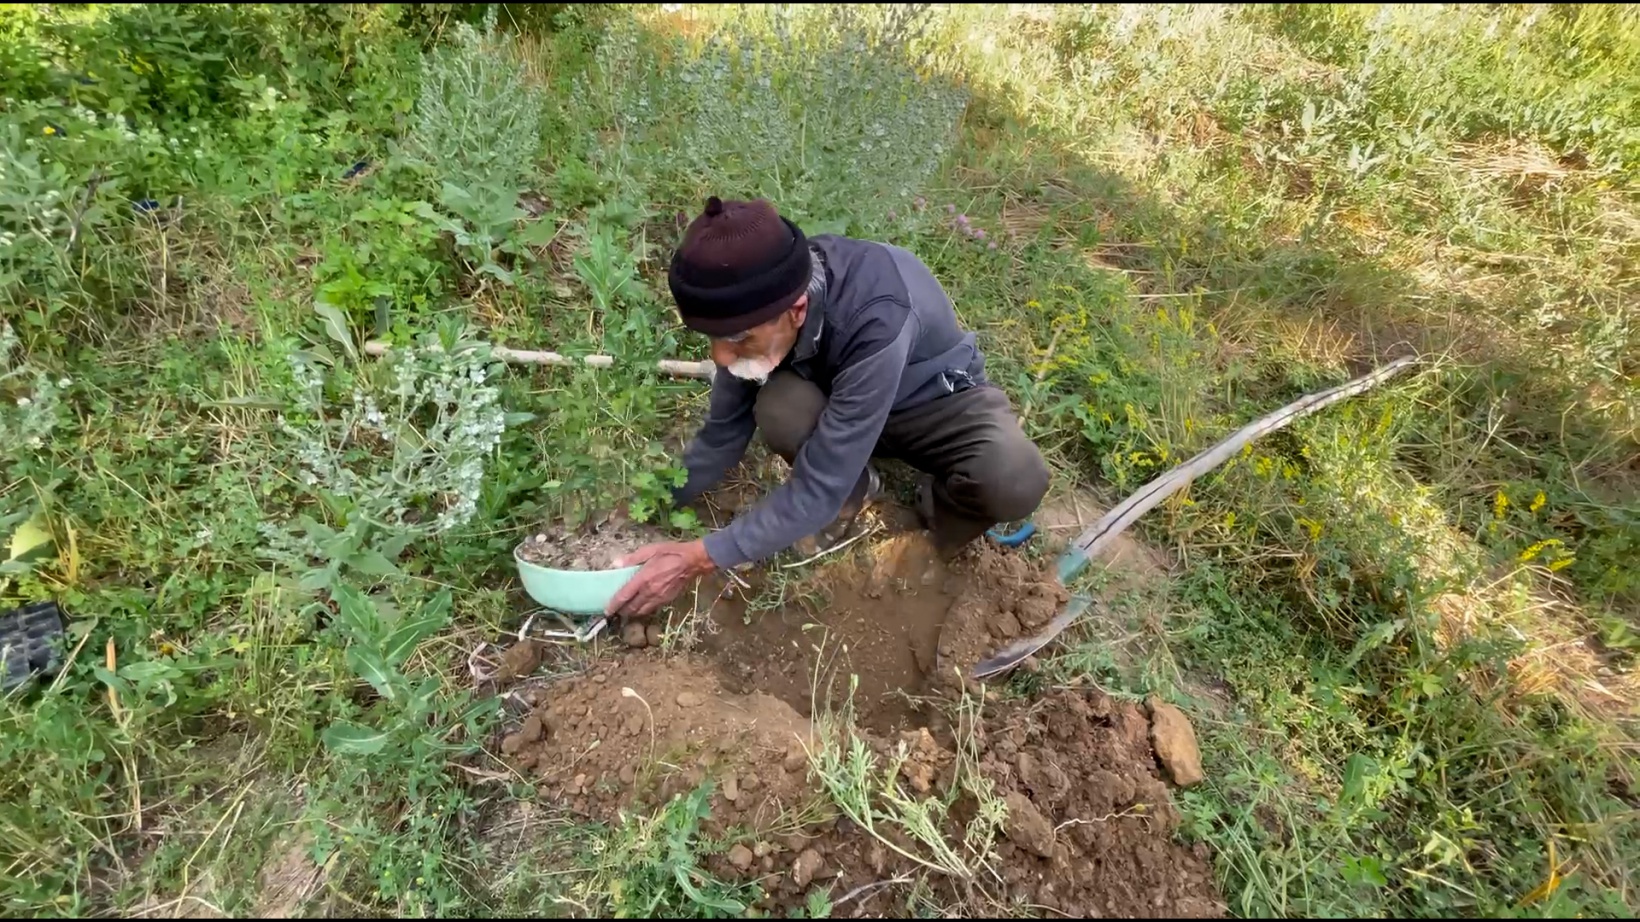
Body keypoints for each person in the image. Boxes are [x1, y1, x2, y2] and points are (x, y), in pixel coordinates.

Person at [606, 197, 1049, 619]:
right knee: (780, 406)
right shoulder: (761, 298)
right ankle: (853, 488)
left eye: (739, 340)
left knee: (1013, 477)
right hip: (843, 399)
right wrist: (649, 503)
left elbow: (815, 489)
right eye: (713, 339)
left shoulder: (878, 313)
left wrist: (698, 558)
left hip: (931, 403)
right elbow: (722, 434)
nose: (721, 357)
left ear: (797, 310)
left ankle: (933, 521)